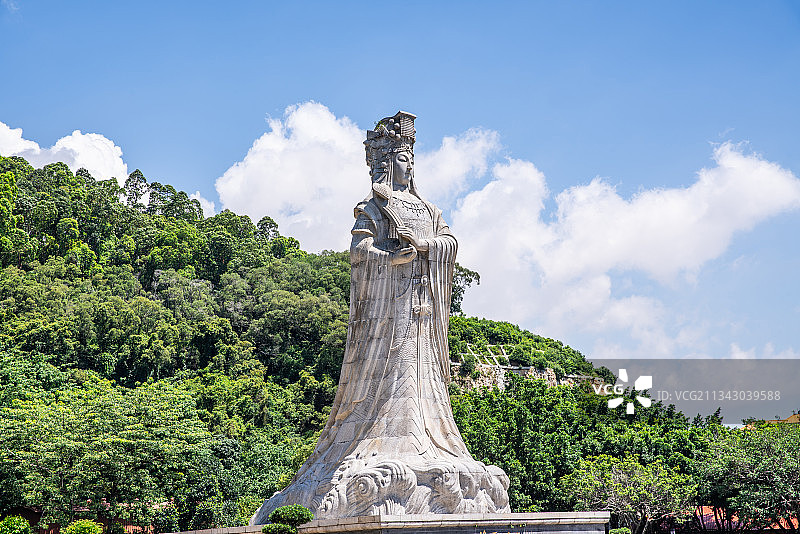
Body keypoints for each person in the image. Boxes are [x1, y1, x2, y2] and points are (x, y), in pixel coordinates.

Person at [251, 112, 509, 522]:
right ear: (387, 163)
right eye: (404, 157)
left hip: (421, 309)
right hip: (387, 311)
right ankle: (375, 446)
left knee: (423, 379)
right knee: (391, 377)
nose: (410, 166)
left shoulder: (428, 208)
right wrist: (393, 257)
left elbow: (449, 240)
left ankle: (429, 443)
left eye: (411, 158)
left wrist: (431, 248)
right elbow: (359, 251)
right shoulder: (375, 206)